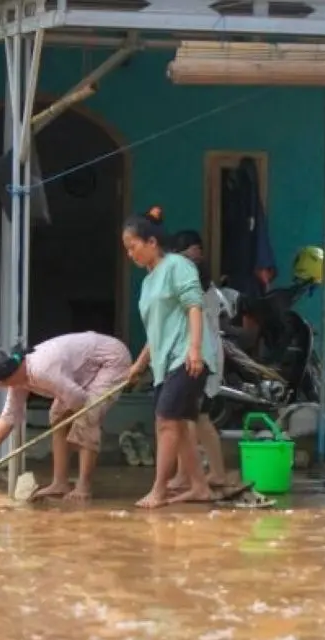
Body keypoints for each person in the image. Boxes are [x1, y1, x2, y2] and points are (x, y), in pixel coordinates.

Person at [122, 210, 218, 508]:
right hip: (165, 362)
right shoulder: (149, 282)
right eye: (126, 249)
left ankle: (159, 489)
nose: (130, 254)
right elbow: (156, 331)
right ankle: (200, 487)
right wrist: (139, 365)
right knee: (178, 425)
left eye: (133, 246)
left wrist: (194, 349)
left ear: (152, 242)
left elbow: (194, 305)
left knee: (165, 422)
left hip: (186, 357)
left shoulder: (178, 265)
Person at [0, 332, 131, 501]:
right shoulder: (18, 376)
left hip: (110, 360)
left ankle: (84, 486)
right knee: (57, 416)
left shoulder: (42, 370)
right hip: (83, 369)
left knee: (87, 417)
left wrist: (77, 430)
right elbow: (9, 416)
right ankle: (60, 483)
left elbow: (79, 400)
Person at [166, 228, 230, 490]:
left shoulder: (195, 285)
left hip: (201, 355)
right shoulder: (205, 283)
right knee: (194, 417)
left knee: (192, 417)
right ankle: (211, 473)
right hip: (205, 353)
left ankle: (200, 475)